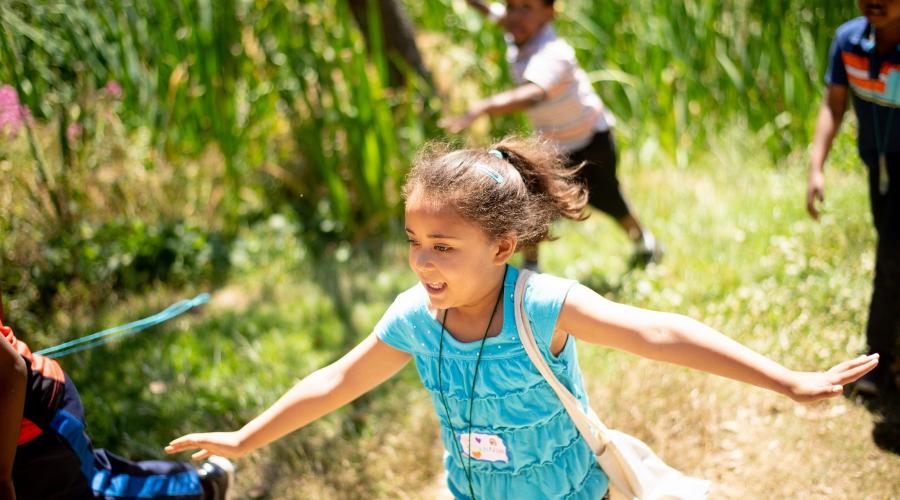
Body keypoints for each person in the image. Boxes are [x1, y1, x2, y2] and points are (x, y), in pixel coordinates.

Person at [167, 137, 878, 499]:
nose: (423, 262)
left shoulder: (542, 306)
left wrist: (787, 380)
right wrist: (245, 436)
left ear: (503, 247)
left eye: (444, 247)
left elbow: (659, 332)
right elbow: (335, 382)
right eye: (415, 241)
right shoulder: (417, 317)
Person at [439, 0, 663, 270]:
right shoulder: (519, 29)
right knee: (531, 203)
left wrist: (482, 108)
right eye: (511, 7)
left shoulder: (552, 52)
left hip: (591, 140)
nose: (515, 16)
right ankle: (530, 270)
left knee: (608, 198)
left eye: (526, 8)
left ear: (549, 13)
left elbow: (534, 94)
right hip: (554, 148)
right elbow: (492, 12)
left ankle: (645, 244)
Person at [0, 314, 233, 500]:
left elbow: (13, 370)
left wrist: (2, 477)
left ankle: (203, 486)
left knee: (96, 489)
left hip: (38, 418)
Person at [807, 0, 900, 399]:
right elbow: (834, 104)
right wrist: (816, 166)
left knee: (890, 264)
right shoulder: (849, 41)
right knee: (892, 261)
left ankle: (877, 367)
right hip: (879, 171)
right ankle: (884, 360)